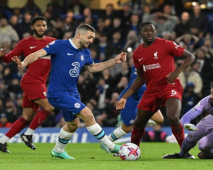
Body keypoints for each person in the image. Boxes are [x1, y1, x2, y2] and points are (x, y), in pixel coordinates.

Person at [13, 24, 127, 159]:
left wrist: (114, 61)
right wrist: (24, 63)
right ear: (79, 35)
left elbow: (93, 68)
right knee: (88, 114)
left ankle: (58, 151)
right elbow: (38, 54)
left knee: (73, 125)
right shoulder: (59, 45)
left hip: (72, 93)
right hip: (57, 93)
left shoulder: (85, 52)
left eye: (93, 38)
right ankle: (110, 146)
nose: (91, 40)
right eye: (89, 37)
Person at [116, 22, 196, 159]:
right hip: (151, 90)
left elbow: (191, 56)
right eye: (146, 31)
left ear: (155, 31)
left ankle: (184, 153)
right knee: (139, 122)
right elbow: (140, 78)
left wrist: (177, 72)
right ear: (140, 33)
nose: (149, 33)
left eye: (152, 30)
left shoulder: (167, 44)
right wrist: (125, 96)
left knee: (172, 117)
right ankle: (133, 152)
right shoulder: (137, 54)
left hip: (170, 86)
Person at [0, 16, 56, 153]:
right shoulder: (25, 43)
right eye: (38, 25)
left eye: (43, 25)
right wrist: (2, 55)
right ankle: (28, 134)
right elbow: (9, 58)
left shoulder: (53, 42)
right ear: (32, 27)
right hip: (31, 80)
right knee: (49, 107)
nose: (41, 28)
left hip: (41, 82)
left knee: (27, 116)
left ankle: (2, 141)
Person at [102, 66, 164, 154]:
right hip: (131, 97)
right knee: (126, 128)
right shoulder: (139, 63)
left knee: (160, 120)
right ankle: (107, 143)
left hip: (146, 96)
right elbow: (139, 84)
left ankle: (139, 120)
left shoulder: (158, 65)